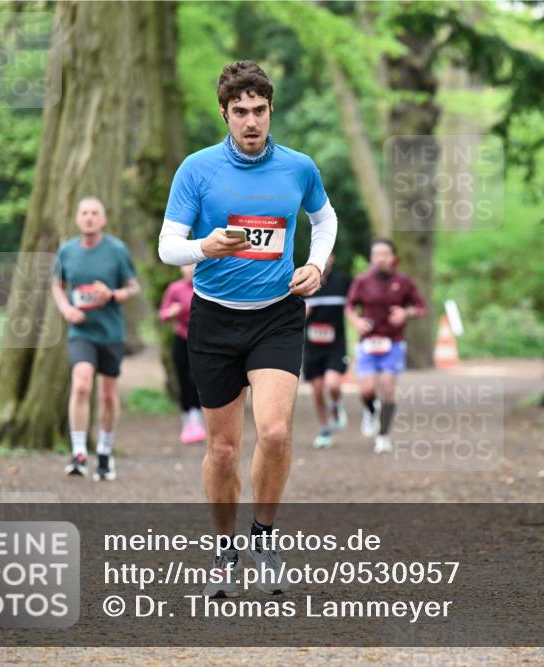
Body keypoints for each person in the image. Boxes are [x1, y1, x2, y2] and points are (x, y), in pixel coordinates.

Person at [157, 60, 337, 597]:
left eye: (259, 110)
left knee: (277, 432)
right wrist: (205, 247)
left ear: (270, 109)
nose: (251, 121)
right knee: (224, 451)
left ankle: (263, 537)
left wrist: (316, 265)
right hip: (213, 317)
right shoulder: (197, 169)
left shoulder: (299, 167)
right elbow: (168, 247)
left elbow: (323, 219)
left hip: (277, 315)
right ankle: (224, 548)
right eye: (241, 112)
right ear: (225, 114)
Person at [52, 196, 140, 481]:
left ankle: (104, 451)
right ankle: (78, 452)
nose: (89, 217)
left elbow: (133, 286)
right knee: (80, 384)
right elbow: (57, 283)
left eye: (94, 213)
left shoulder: (116, 250)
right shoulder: (66, 251)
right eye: (84, 213)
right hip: (82, 332)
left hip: (111, 333)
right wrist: (66, 308)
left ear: (103, 219)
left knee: (108, 394)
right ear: (77, 219)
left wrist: (112, 295)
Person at [345, 239, 427, 454]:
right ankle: (371, 410)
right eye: (376, 254)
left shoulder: (403, 281)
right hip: (368, 343)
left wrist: (405, 313)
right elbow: (350, 306)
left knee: (388, 388)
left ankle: (383, 435)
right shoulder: (362, 281)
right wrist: (356, 322)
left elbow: (420, 307)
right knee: (367, 389)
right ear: (371, 258)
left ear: (393, 257)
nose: (381, 258)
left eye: (385, 254)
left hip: (393, 343)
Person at [302, 253, 351, 449]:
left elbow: (358, 302)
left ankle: (336, 406)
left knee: (333, 385)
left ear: (332, 258)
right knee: (316, 388)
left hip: (336, 344)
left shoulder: (343, 281)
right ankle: (324, 429)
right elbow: (291, 312)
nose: (324, 260)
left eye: (328, 256)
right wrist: (302, 313)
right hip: (312, 346)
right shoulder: (303, 281)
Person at [159, 263, 206, 444]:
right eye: (186, 266)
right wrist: (171, 313)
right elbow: (162, 314)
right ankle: (187, 422)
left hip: (202, 341)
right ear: (181, 269)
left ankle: (197, 420)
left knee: (196, 380)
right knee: (183, 380)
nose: (189, 269)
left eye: (192, 265)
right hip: (181, 339)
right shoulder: (175, 289)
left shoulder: (205, 286)